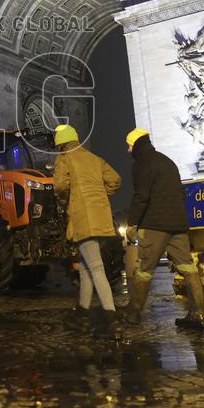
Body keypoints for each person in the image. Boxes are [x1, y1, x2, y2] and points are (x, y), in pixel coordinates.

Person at [123, 128, 204, 329]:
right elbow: (180, 192)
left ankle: (133, 313)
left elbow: (141, 196)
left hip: (154, 225)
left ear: (136, 145)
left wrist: (132, 223)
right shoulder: (167, 161)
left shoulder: (142, 164)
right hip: (178, 224)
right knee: (187, 266)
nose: (127, 150)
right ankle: (199, 314)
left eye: (129, 145)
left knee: (145, 269)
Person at [52, 124, 122, 332]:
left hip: (83, 218)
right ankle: (82, 313)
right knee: (86, 268)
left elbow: (60, 187)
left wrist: (66, 201)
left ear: (60, 144)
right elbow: (115, 180)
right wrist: (100, 195)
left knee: (96, 268)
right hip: (101, 217)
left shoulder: (64, 159)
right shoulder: (94, 158)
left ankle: (111, 318)